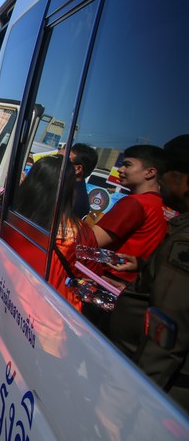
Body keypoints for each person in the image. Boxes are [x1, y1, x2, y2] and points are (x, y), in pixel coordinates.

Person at [107, 135, 189, 411]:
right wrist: (143, 265)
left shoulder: (181, 238)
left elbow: (166, 336)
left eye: (169, 172)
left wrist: (130, 399)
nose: (162, 179)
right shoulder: (176, 223)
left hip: (144, 382)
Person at [15, 155, 96, 310]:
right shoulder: (82, 232)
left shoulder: (13, 216)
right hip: (56, 313)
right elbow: (91, 280)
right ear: (70, 189)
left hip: (11, 297)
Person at [91, 145, 168, 279]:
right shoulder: (166, 208)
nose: (120, 169)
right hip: (134, 282)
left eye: (127, 165)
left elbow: (90, 240)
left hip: (109, 277)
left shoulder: (135, 203)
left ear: (149, 172)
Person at [68, 142, 98, 219]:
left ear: (78, 169)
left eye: (66, 161)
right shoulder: (68, 188)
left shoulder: (74, 199)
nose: (60, 163)